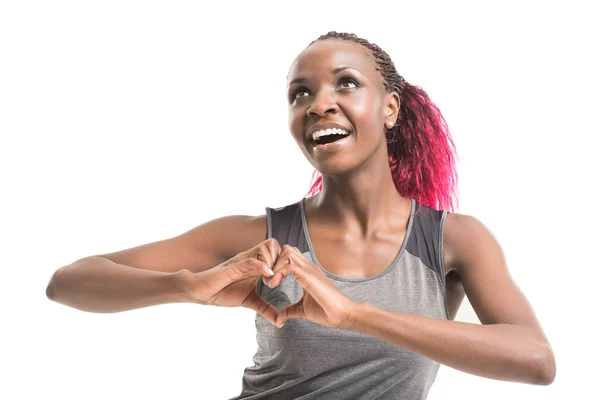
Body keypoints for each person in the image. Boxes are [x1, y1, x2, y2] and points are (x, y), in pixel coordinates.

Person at [46, 31, 556, 399]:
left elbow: (536, 361)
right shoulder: (260, 234)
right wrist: (185, 285)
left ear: (391, 108)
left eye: (346, 83)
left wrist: (357, 314)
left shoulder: (452, 240)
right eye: (300, 94)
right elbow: (68, 282)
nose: (318, 105)